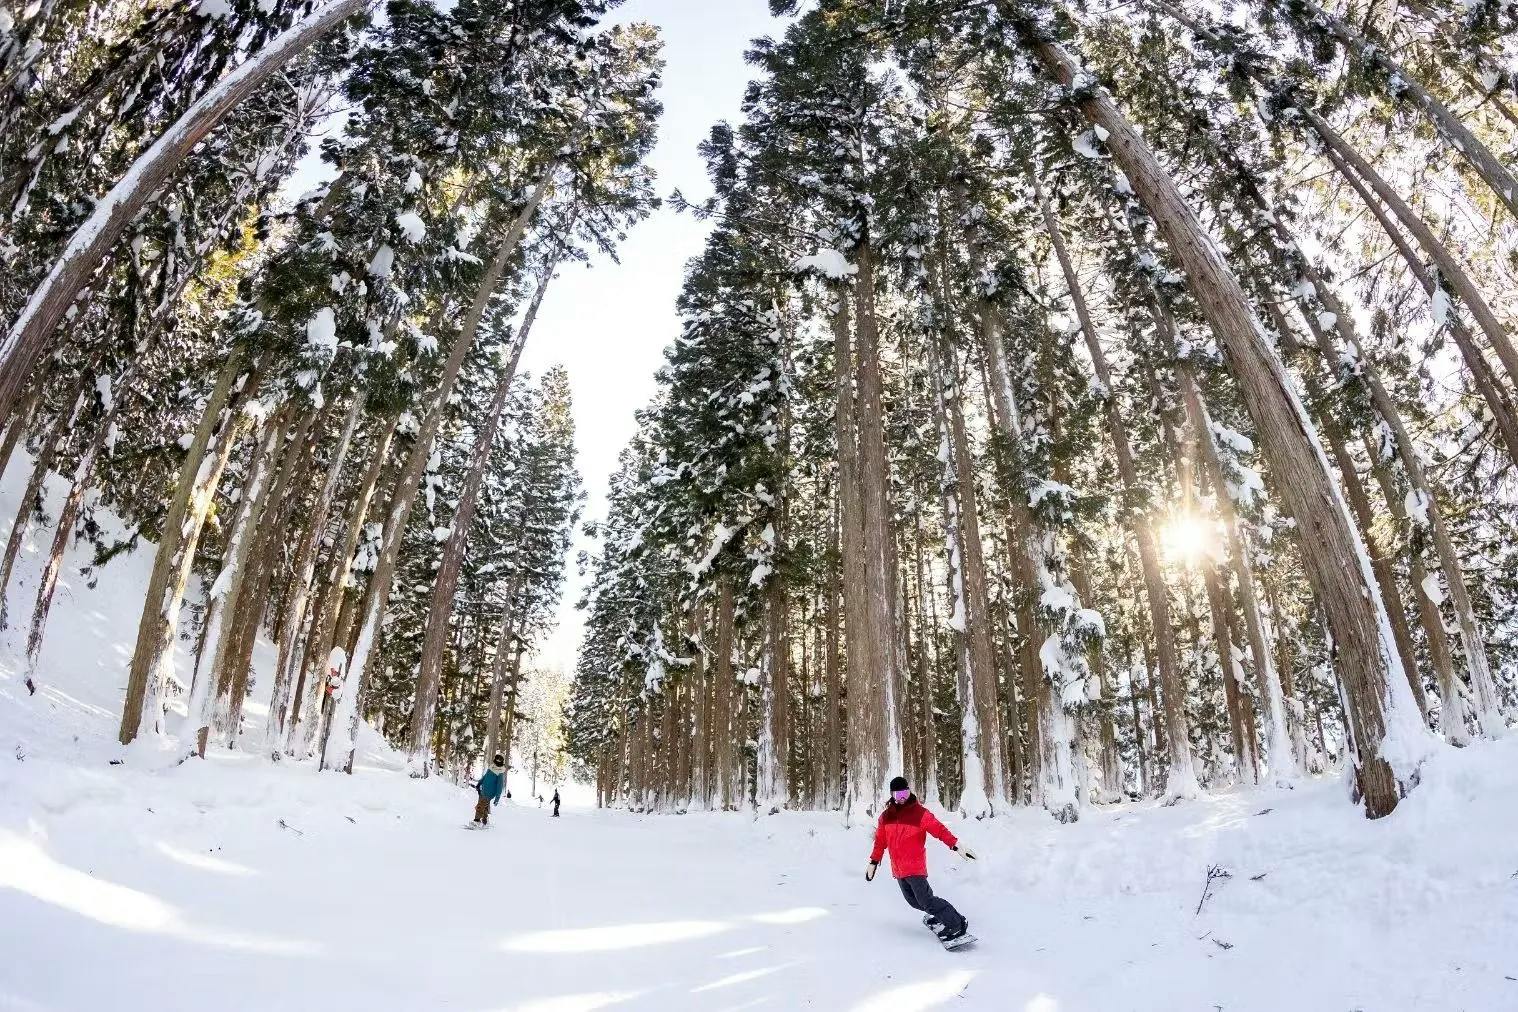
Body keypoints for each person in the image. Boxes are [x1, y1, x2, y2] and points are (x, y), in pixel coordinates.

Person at [866, 776, 976, 944]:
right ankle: (943, 915)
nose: (902, 798)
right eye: (898, 795)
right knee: (914, 902)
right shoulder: (885, 817)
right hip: (899, 870)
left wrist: (955, 845)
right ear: (892, 796)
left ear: (909, 792)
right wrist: (874, 861)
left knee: (926, 901)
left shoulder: (919, 813)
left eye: (905, 793)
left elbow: (939, 829)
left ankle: (957, 924)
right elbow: (881, 842)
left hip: (915, 867)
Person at [474, 754, 506, 827]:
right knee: (484, 806)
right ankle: (485, 821)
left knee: (480, 805)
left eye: (500, 759)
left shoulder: (500, 772)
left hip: (490, 793)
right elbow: (485, 776)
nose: (498, 760)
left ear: (502, 761)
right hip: (483, 790)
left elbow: (499, 786)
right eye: (497, 758)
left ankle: (477, 821)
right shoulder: (492, 767)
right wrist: (479, 783)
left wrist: (497, 798)